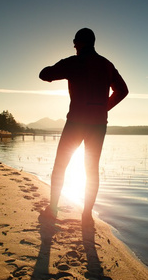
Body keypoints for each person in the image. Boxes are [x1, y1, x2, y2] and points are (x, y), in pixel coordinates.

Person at [39, 28, 128, 225]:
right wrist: (104, 107)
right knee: (92, 170)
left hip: (76, 122)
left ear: (80, 43)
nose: (73, 45)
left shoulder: (73, 62)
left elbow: (44, 74)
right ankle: (87, 215)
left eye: (74, 41)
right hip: (98, 124)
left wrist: (54, 70)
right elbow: (123, 90)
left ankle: (52, 209)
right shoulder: (107, 65)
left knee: (60, 166)